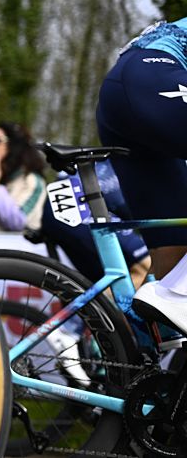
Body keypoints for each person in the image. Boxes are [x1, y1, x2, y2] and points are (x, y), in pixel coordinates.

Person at [96, 18, 187, 329]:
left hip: (130, 90)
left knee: (174, 247)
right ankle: (180, 294)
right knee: (178, 291)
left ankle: (156, 366)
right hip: (153, 76)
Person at [32, 159, 151, 289]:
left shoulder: (114, 161)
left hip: (56, 210)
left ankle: (86, 308)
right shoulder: (128, 166)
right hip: (77, 208)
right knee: (145, 267)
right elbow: (127, 208)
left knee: (107, 281)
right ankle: (91, 307)